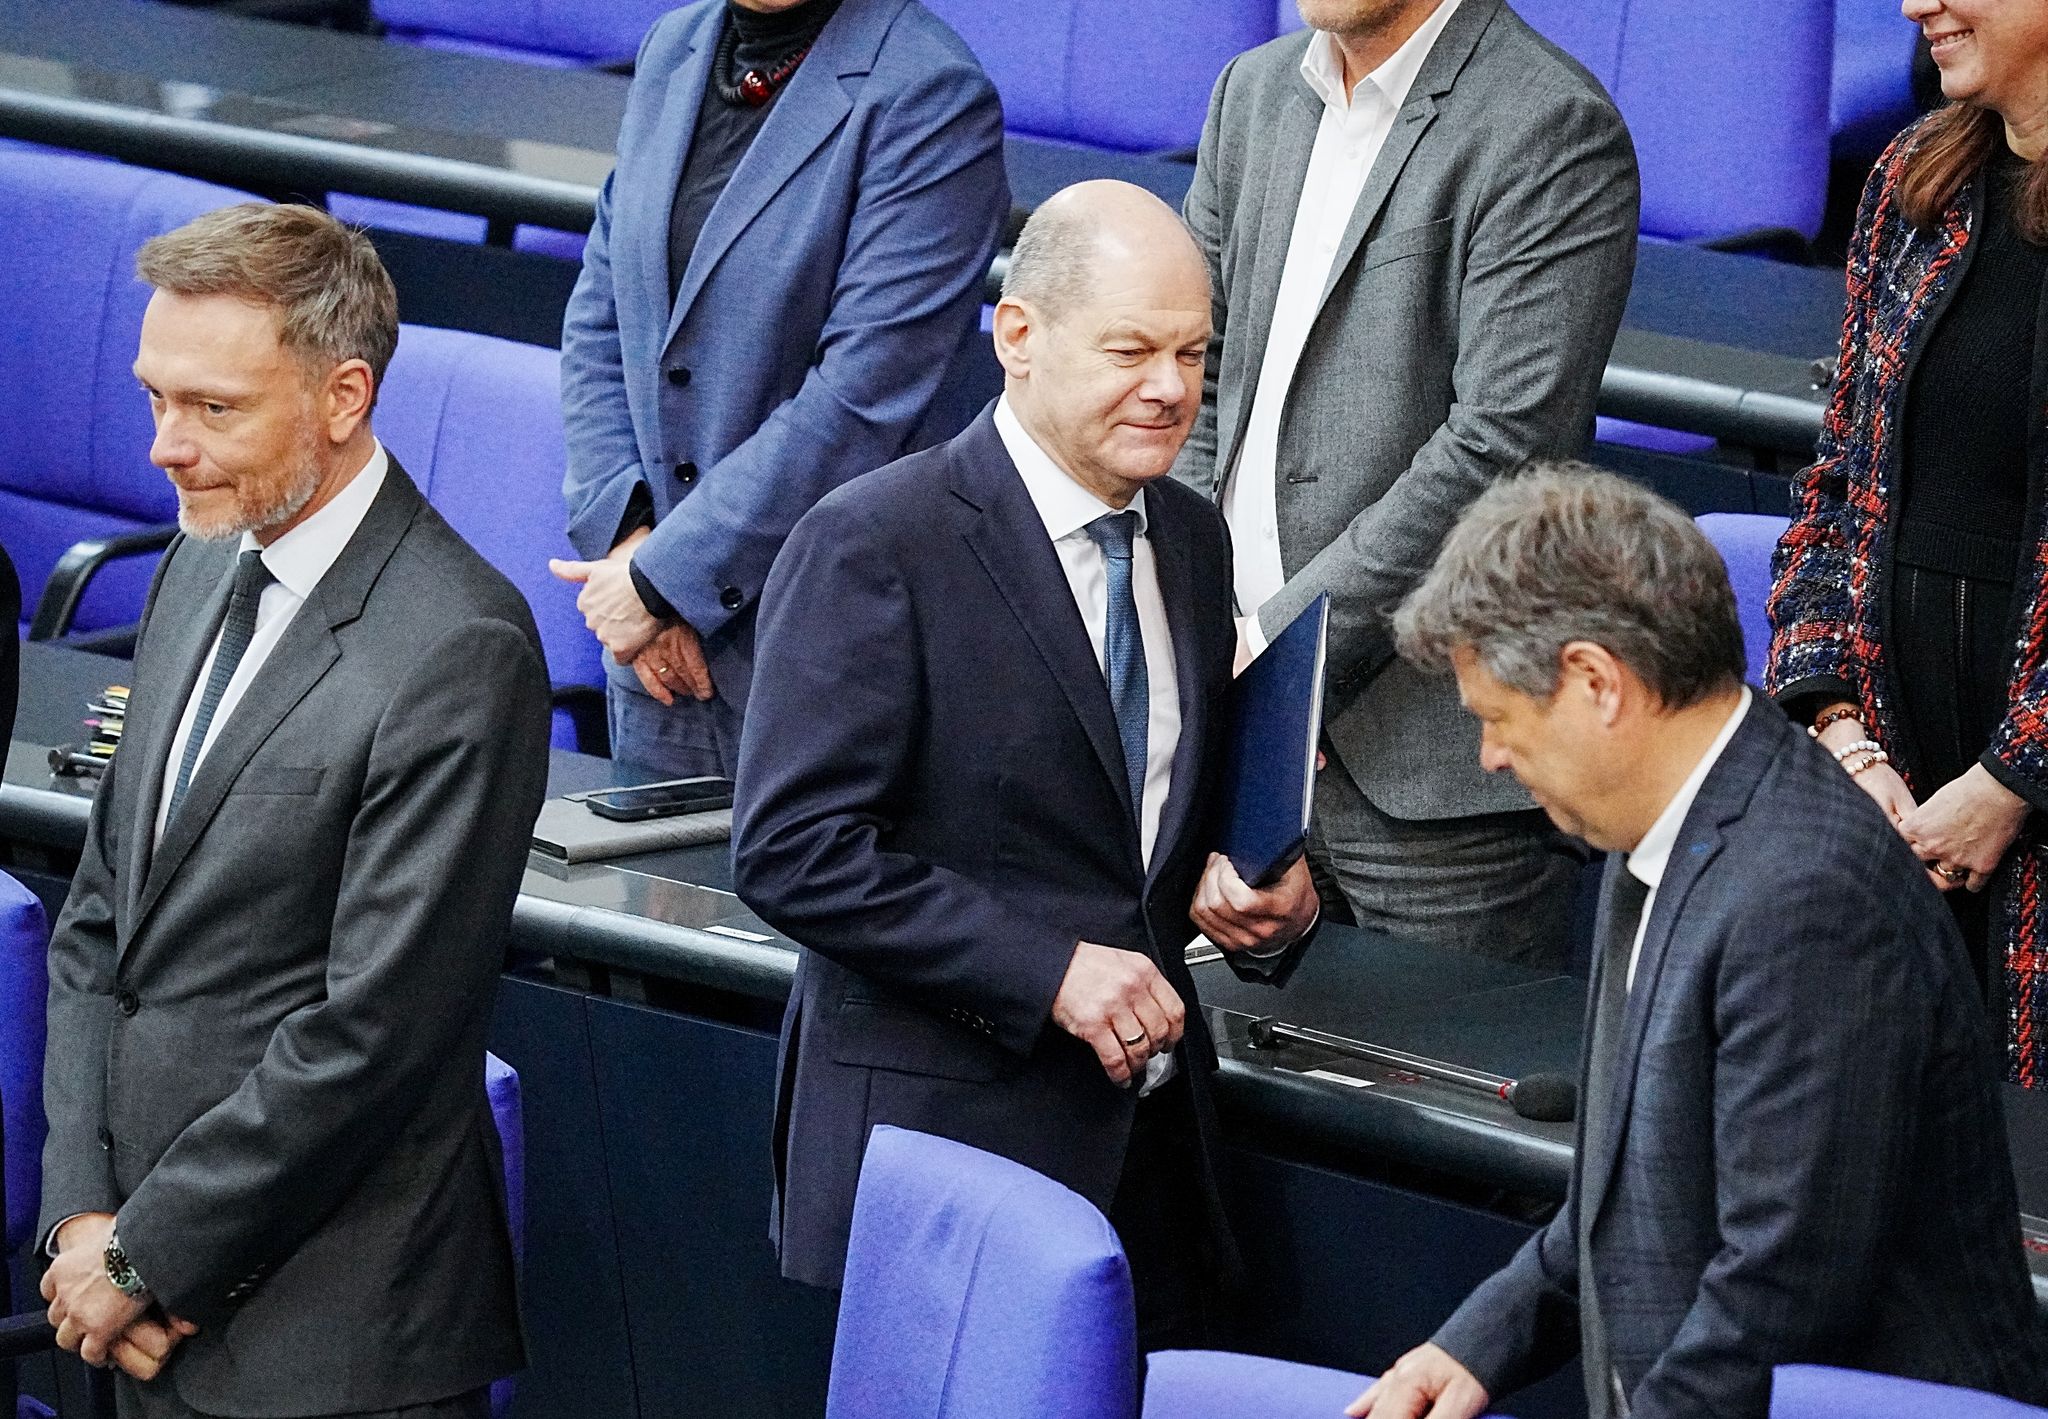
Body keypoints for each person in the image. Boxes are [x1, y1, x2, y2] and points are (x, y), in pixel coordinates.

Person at [732, 181, 1320, 1353]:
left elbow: (1157, 823)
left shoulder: (1192, 541)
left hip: (1146, 1169)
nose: (1168, 388)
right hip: (947, 1156)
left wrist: (1277, 904)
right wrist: (1048, 970)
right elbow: (792, 852)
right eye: (1131, 350)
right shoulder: (872, 543)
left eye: (1193, 355)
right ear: (1017, 338)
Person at [1352, 464, 2048, 1419]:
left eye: (1499, 720)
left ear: (1596, 682)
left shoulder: (1809, 899)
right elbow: (1623, 1186)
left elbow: (1780, 1294)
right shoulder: (1661, 817)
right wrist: (1477, 1343)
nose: (1491, 758)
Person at [36, 205, 550, 1419]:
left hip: (331, 1351)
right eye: (156, 398)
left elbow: (371, 1033)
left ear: (344, 396)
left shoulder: (458, 646)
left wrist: (144, 1257)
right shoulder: (197, 560)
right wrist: (80, 1219)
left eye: (213, 409)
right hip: (130, 1310)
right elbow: (101, 926)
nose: (167, 445)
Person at [1174, 0, 1639, 967]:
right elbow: (1198, 377)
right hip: (1235, 727)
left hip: (1441, 780)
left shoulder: (1550, 124)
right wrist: (1189, 608)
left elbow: (1503, 445)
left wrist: (1276, 651)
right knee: (1227, 1102)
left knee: (1433, 1102)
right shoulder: (1250, 93)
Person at [554, 0, 1007, 775]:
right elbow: (603, 312)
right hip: (655, 657)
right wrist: (633, 544)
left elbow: (861, 401)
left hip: (816, 655)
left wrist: (669, 576)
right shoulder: (675, 46)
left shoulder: (932, 94)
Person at [1767, 0, 2048, 1083]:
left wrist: (2011, 780)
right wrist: (1839, 733)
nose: (1911, 2)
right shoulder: (1912, 180)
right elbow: (1838, 475)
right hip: (1895, 816)